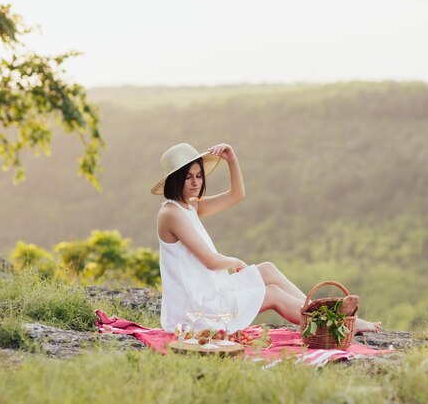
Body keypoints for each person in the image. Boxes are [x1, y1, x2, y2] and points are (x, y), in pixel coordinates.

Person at [152, 142, 382, 334]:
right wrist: (237, 262)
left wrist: (232, 160)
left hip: (211, 291)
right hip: (196, 311)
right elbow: (211, 261)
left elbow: (237, 195)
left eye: (199, 175)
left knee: (268, 270)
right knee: (272, 293)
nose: (196, 182)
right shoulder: (171, 213)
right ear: (175, 180)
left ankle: (326, 313)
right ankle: (333, 323)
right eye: (188, 177)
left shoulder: (189, 207)